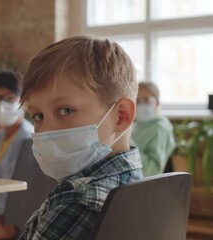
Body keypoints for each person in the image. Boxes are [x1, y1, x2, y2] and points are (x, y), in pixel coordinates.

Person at [18, 35, 143, 239]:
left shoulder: (78, 203)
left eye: (65, 110)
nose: (46, 130)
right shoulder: (134, 183)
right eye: (38, 116)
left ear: (121, 116)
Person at [0, 70, 34, 239]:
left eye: (8, 98)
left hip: (14, 220)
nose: (1, 105)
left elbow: (16, 190)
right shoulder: (0, 136)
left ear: (22, 100)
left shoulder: (27, 138)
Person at [131, 81, 176, 177]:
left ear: (157, 103)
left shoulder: (160, 127)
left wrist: (127, 143)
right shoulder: (134, 125)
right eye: (137, 101)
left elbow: (152, 171)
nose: (142, 104)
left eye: (147, 100)